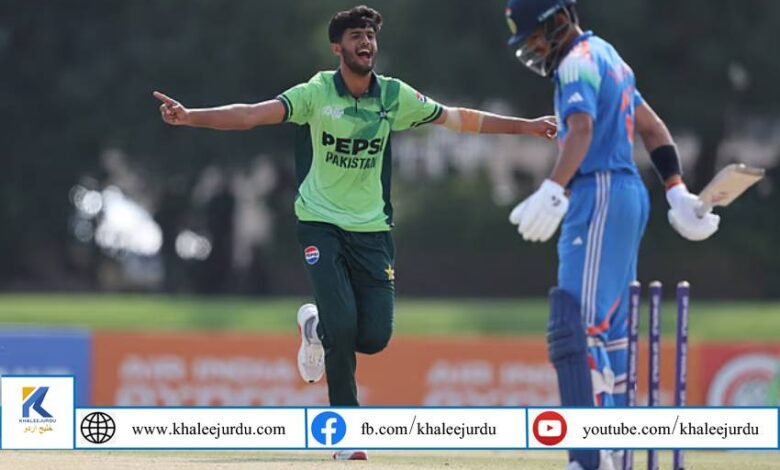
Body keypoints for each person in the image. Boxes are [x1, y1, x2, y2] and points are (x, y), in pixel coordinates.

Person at [155, 4, 556, 460]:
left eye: (370, 36)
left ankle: (313, 325)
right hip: (320, 224)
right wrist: (190, 116)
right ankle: (346, 435)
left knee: (374, 338)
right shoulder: (315, 93)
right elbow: (250, 114)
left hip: (372, 231)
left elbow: (458, 118)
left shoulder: (394, 96)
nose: (366, 42)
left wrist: (527, 127)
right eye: (356, 36)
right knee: (343, 329)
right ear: (337, 48)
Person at [503, 1, 720, 469]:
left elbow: (581, 130)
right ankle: (615, 447)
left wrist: (553, 188)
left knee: (577, 326)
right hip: (626, 194)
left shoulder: (576, 63)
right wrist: (676, 190)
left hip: (597, 190)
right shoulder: (608, 55)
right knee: (612, 330)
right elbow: (652, 128)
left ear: (557, 20)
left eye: (535, 36)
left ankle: (590, 453)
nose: (534, 49)